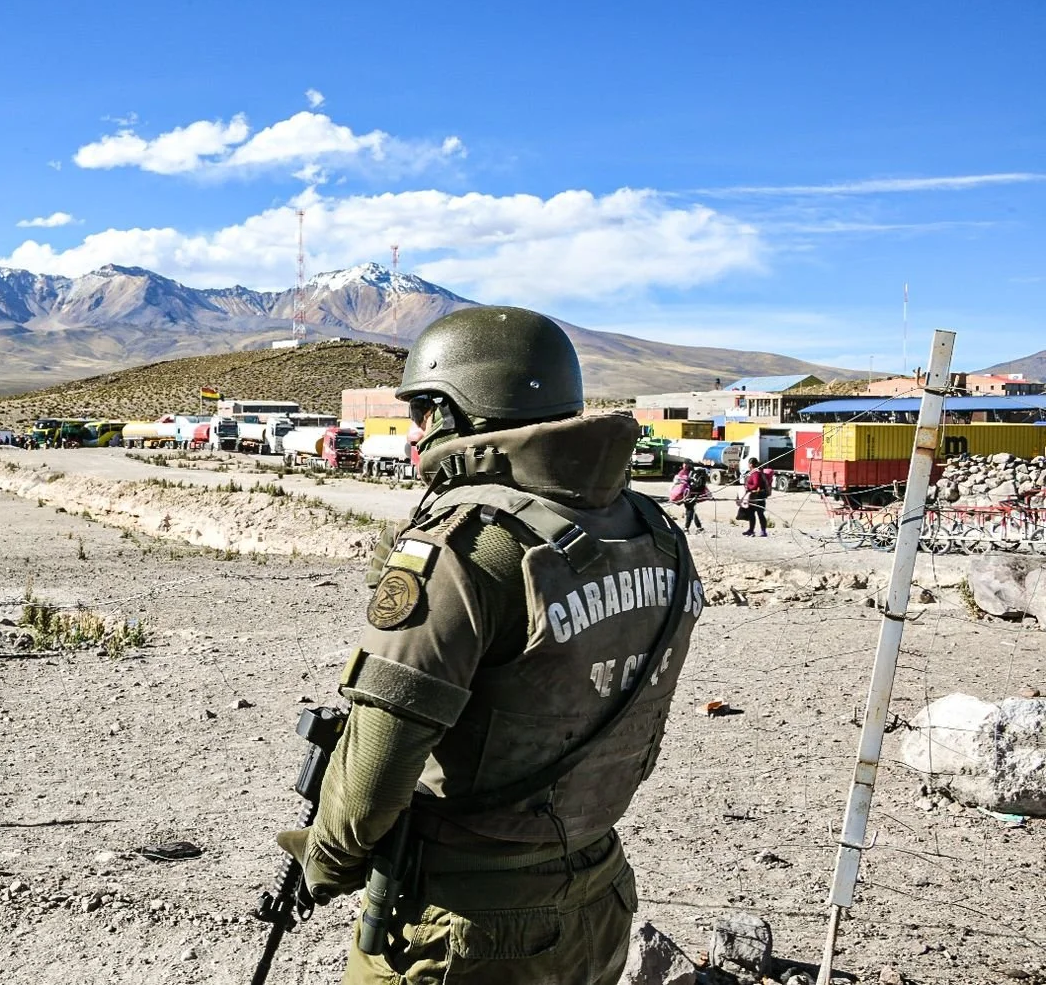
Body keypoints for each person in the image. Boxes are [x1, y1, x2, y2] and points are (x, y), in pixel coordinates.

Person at [275, 307, 704, 985]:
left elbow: (372, 778)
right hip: (599, 894)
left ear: (462, 414)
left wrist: (322, 864)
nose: (415, 431)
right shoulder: (654, 533)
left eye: (424, 409)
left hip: (470, 929)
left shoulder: (469, 546)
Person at [742, 456, 770, 537]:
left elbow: (756, 484)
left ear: (750, 464)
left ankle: (763, 531)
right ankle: (751, 530)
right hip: (754, 496)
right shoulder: (755, 472)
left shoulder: (755, 473)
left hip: (757, 496)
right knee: (752, 513)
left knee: (759, 514)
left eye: (748, 463)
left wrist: (747, 487)